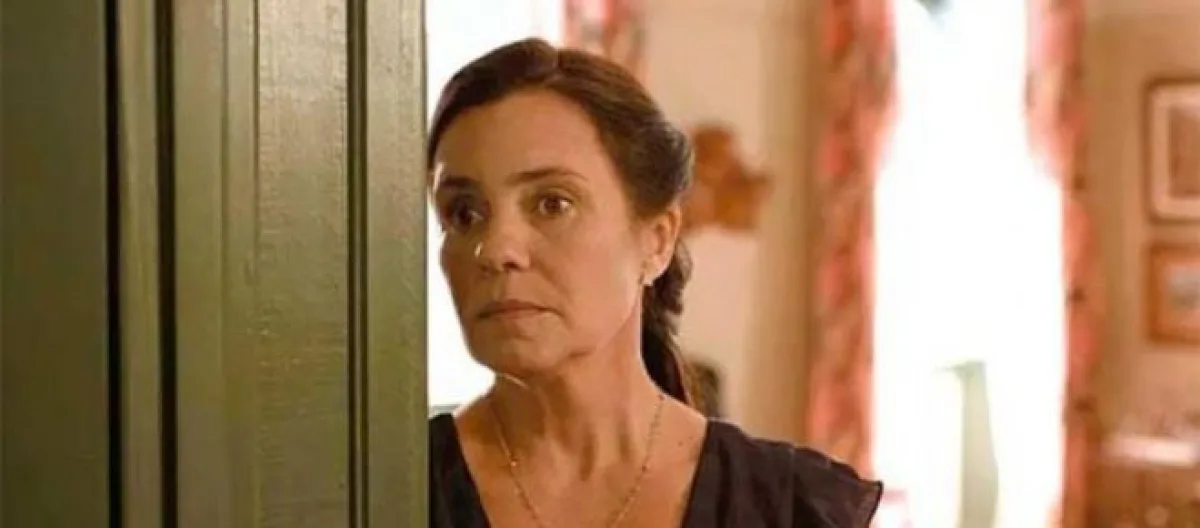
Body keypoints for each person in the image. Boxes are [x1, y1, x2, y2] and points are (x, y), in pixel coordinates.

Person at [427, 38, 882, 527]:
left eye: (552, 203)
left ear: (657, 241)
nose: (495, 249)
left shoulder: (792, 509)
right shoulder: (391, 486)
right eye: (464, 213)